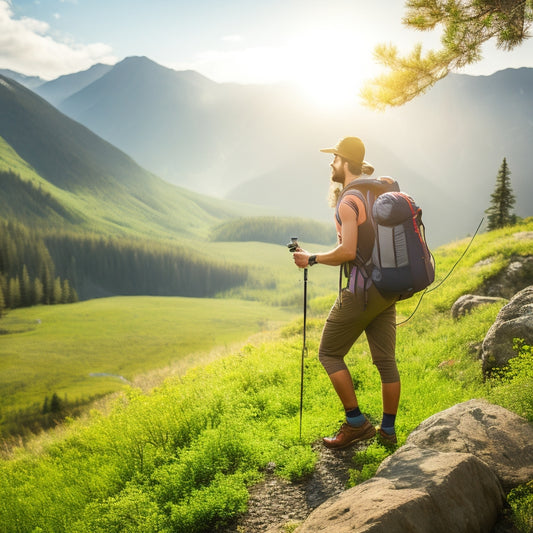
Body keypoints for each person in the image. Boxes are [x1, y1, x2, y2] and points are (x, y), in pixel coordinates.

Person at [292, 136, 400, 449]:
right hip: (387, 288)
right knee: (385, 360)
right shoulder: (380, 189)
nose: (331, 163)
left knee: (328, 353)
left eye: (335, 158)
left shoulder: (349, 201)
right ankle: (388, 432)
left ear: (345, 162)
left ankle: (356, 424)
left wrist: (310, 258)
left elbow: (348, 251)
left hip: (362, 291)